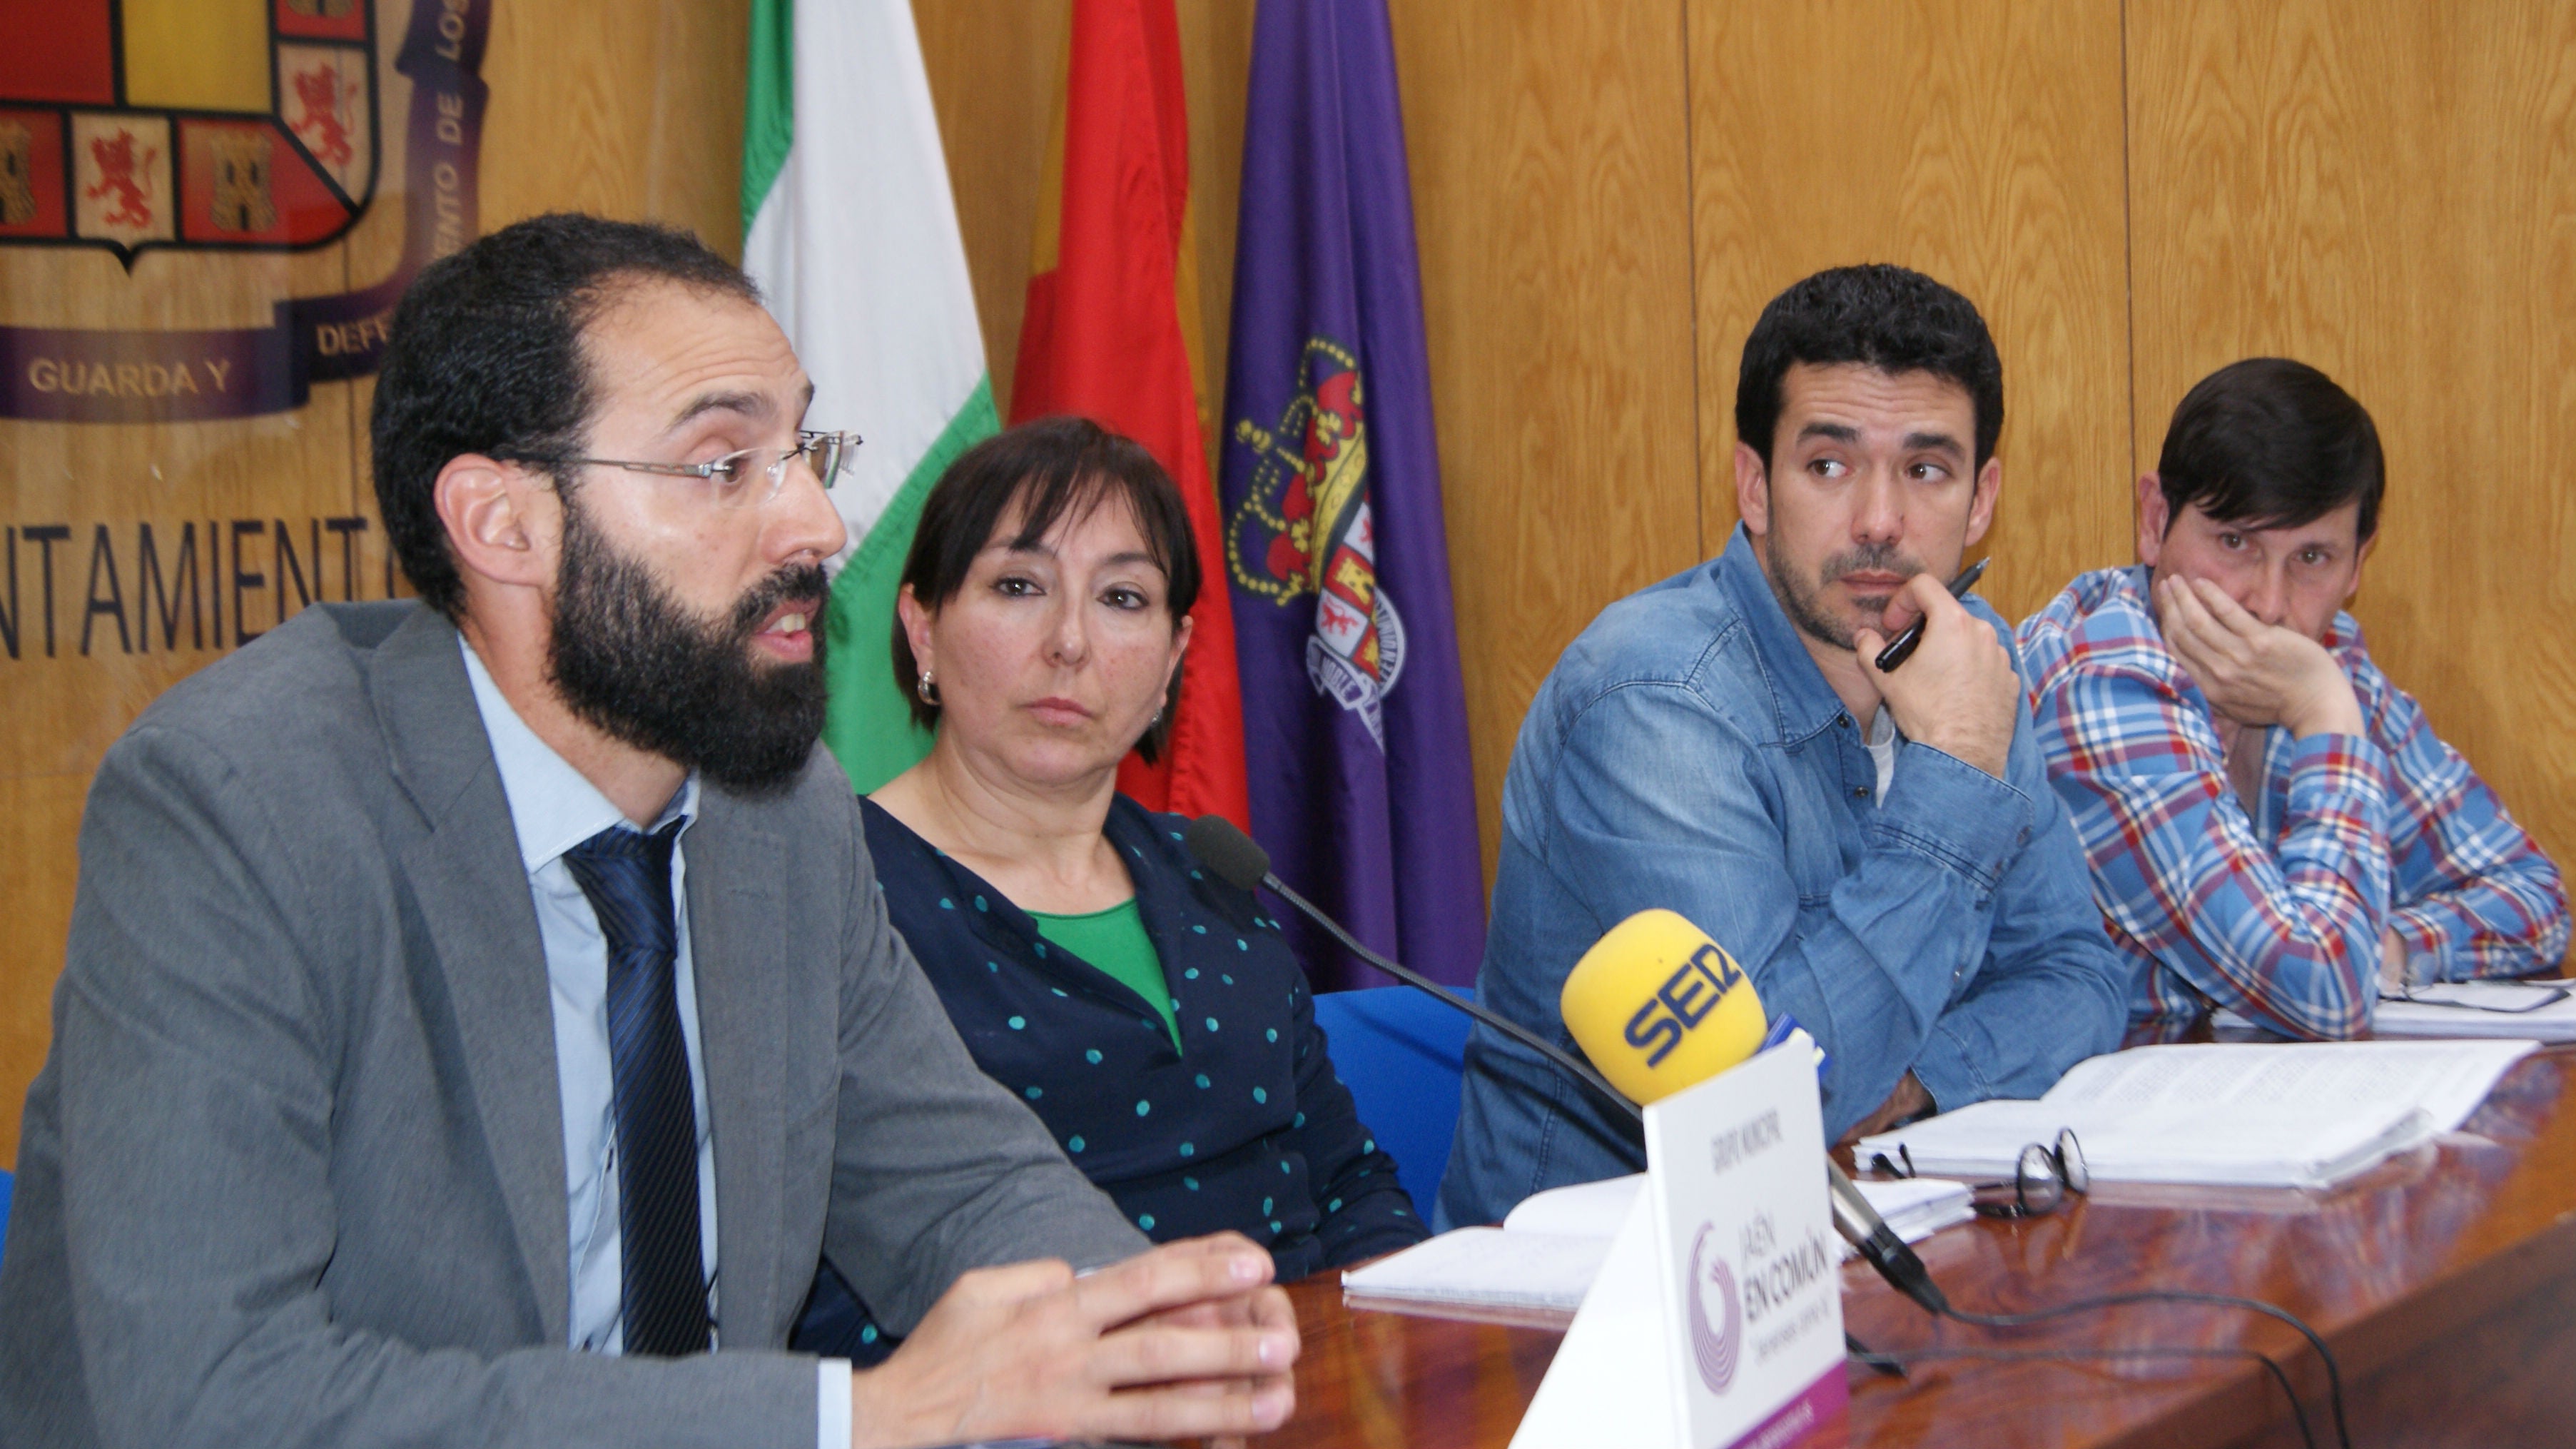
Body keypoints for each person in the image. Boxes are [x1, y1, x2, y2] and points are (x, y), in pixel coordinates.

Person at [0, 213, 1299, 1449]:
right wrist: (861, 1420)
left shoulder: (775, 811)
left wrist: (1150, 1331)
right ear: (502, 523)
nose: (819, 528)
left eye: (806, 453)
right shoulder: (238, 811)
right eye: (724, 465)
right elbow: (211, 1402)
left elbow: (957, 1183)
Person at [1438, 264, 2126, 1230]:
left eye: (1925, 470)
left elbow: (2079, 977)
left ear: (1981, 501)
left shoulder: (1974, 662)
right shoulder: (1653, 701)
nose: (1879, 521)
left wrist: (1914, 1076)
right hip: (1588, 1299)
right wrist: (1955, 780)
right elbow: (1762, 1106)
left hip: (1864, 1237)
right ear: (1755, 486)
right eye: (1829, 466)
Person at [791, 417, 1428, 1359]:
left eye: (1123, 598)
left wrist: (1408, 1366)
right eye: (1018, 586)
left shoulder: (1211, 873)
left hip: (1289, 1385)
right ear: (920, 625)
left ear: (1173, 659)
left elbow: (1344, 1182)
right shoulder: (838, 894)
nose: (1069, 642)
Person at [2019, 358, 2570, 1040]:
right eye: (2235, 542)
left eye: (2312, 559)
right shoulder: (2100, 682)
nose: (2269, 606)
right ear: (2156, 521)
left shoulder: (2322, 668)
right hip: (2077, 1128)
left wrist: (2393, 947)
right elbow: (2324, 994)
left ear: (2359, 563)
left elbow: (2533, 898)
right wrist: (2324, 716)